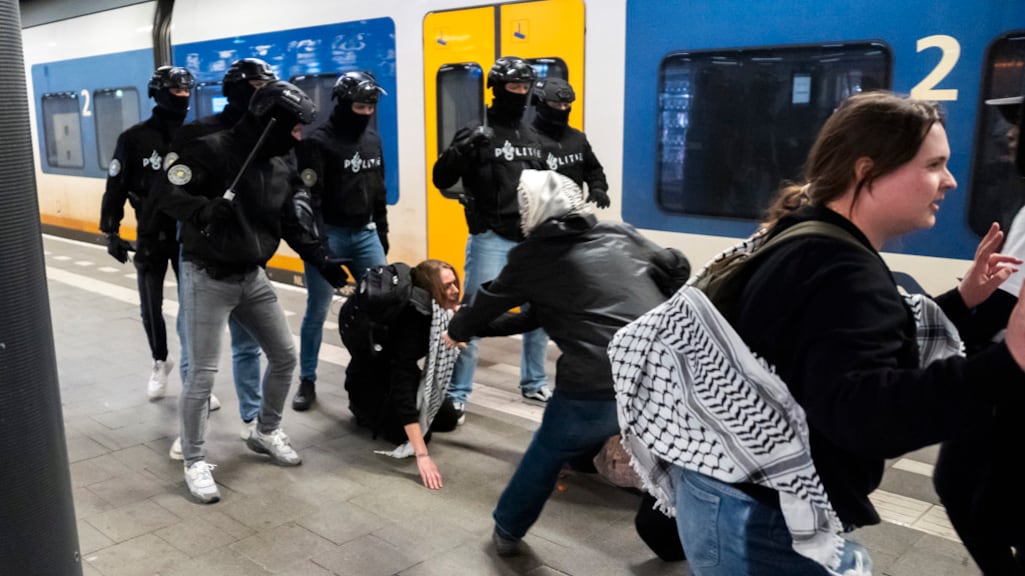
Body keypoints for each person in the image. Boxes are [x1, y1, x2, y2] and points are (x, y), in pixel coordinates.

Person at [617, 91, 1025, 575]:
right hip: (765, 524)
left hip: (732, 497)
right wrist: (1008, 362)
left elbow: (845, 344)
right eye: (934, 165)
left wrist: (965, 301)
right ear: (866, 170)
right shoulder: (843, 269)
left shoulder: (808, 234)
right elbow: (866, 415)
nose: (950, 181)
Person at [445, 169, 690, 556]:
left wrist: (457, 328)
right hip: (662, 371)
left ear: (531, 211)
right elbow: (677, 266)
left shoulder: (532, 257)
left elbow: (486, 303)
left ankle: (508, 530)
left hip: (597, 381)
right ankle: (672, 531)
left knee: (547, 450)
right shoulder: (620, 234)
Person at [159, 80, 349, 503]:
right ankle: (193, 461)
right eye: (295, 127)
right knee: (203, 375)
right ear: (272, 123)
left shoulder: (279, 162)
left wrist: (322, 260)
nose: (300, 136)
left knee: (284, 357)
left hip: (251, 276)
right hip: (206, 275)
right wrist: (200, 209)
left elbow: (292, 222)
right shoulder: (209, 150)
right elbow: (167, 193)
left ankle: (264, 431)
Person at [167, 58, 278, 460]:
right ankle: (190, 437)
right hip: (206, 263)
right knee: (199, 361)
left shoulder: (268, 136)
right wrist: (201, 211)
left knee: (255, 349)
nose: (261, 93)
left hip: (249, 264)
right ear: (234, 89)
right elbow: (171, 191)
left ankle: (254, 419)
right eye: (254, 85)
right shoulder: (198, 134)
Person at [933, 94, 1025, 575]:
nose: (1010, 132)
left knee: (960, 486)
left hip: (1010, 389)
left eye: (1020, 122)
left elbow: (1003, 308)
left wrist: (949, 332)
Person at [432, 56, 551, 423]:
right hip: (490, 238)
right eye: (513, 87)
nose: (520, 93)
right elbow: (441, 178)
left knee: (540, 313)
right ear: (497, 89)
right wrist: (460, 151)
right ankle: (458, 393)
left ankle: (534, 381)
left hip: (530, 239)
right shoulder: (474, 130)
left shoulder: (532, 136)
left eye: (524, 87)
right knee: (475, 312)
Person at [292, 70, 390, 412]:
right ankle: (307, 378)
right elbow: (309, 200)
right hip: (329, 235)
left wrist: (383, 230)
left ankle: (378, 371)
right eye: (359, 106)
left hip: (365, 234)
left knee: (383, 303)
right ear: (344, 103)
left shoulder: (373, 141)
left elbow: (379, 189)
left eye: (370, 107)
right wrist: (319, 251)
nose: (365, 113)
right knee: (317, 309)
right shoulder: (317, 141)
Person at [99, 65, 194, 399]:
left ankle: (194, 375)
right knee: (150, 305)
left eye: (186, 91)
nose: (181, 97)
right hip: (151, 234)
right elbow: (116, 186)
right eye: (175, 91)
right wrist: (110, 230)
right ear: (158, 92)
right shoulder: (134, 139)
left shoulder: (198, 135)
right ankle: (160, 361)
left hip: (191, 236)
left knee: (193, 306)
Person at [343, 259, 463, 490]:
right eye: (447, 286)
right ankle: (361, 410)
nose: (455, 290)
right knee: (416, 437)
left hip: (392, 368)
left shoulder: (434, 311)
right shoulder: (412, 321)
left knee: (447, 419)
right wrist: (422, 455)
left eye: (455, 283)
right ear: (430, 290)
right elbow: (402, 385)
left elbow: (478, 321)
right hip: (369, 380)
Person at [530, 77, 610, 208]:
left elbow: (594, 170)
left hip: (574, 213)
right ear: (540, 103)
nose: (562, 109)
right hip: (541, 217)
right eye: (556, 105)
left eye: (566, 105)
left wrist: (598, 188)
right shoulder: (528, 140)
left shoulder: (577, 138)